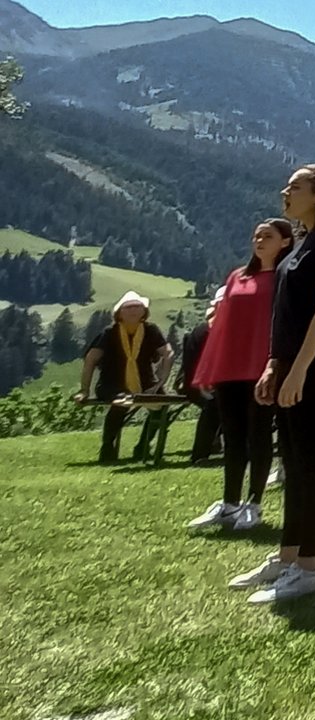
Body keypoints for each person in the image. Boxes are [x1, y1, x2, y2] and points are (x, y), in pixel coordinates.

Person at [233, 166, 315, 606]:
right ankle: (288, 557)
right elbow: (284, 313)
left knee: (312, 464)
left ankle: (310, 567)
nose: (286, 191)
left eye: (296, 186)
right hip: (292, 362)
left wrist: (301, 368)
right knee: (293, 463)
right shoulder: (304, 243)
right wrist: (274, 364)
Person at [188, 219, 293, 536]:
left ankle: (254, 504)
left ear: (285, 243)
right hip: (232, 366)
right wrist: (211, 366)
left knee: (259, 435)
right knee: (233, 436)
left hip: (263, 367)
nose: (259, 240)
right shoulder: (238, 277)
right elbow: (221, 326)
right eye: (257, 236)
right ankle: (229, 502)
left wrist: (278, 366)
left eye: (268, 236)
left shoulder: (285, 278)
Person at [78, 294, 173, 463]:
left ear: (144, 311)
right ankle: (108, 447)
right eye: (128, 307)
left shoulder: (151, 331)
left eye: (137, 306)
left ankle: (143, 446)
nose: (133, 310)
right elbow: (90, 359)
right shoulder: (109, 333)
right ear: (119, 313)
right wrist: (84, 390)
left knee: (161, 404)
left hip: (145, 382)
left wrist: (161, 381)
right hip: (111, 384)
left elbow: (168, 353)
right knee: (121, 403)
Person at [180, 315, 221, 467]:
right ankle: (201, 453)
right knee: (215, 404)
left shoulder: (213, 328)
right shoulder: (205, 331)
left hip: (213, 384)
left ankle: (203, 452)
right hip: (197, 385)